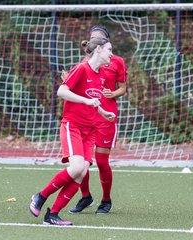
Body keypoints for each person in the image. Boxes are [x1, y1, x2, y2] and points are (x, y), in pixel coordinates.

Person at [29, 37, 115, 226]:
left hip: (90, 130)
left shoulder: (101, 74)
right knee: (76, 168)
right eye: (109, 49)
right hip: (73, 125)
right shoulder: (81, 68)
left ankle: (52, 215)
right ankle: (40, 196)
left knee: (82, 172)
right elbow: (62, 91)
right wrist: (86, 101)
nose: (111, 53)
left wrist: (102, 112)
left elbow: (92, 100)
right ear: (99, 49)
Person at [67, 26, 127, 214]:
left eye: (99, 38)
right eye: (92, 38)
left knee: (101, 161)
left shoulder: (116, 61)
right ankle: (85, 196)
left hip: (105, 117)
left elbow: (123, 88)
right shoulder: (85, 64)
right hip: (86, 117)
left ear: (106, 43)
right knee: (83, 161)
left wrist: (113, 93)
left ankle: (106, 200)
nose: (95, 41)